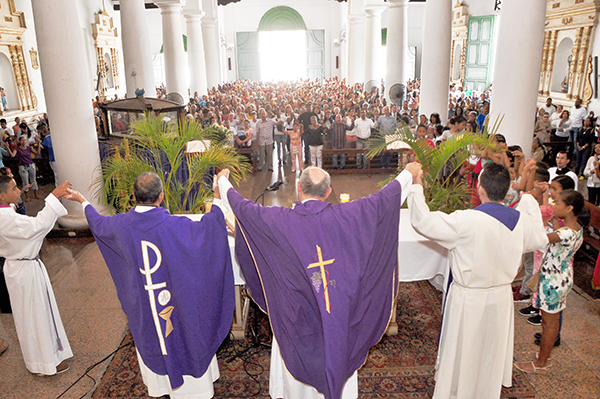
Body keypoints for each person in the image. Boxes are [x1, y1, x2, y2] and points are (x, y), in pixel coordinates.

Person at [215, 165, 413, 399]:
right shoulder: (349, 216)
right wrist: (408, 173)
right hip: (338, 317)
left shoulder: (278, 220)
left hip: (294, 316)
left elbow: (242, 206)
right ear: (328, 191)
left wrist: (224, 182)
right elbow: (384, 199)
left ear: (298, 189)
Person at [67, 172, 235, 398]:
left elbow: (97, 222)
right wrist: (217, 195)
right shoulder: (178, 225)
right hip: (176, 303)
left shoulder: (120, 224)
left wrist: (82, 200)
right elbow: (209, 228)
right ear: (162, 196)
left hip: (145, 307)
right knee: (185, 332)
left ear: (134, 196)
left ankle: (161, 387)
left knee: (154, 336)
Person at [406, 162, 548, 399]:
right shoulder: (520, 220)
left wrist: (416, 186)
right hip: (501, 297)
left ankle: (458, 391)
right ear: (505, 190)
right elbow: (539, 239)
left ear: (480, 188)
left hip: (469, 298)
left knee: (465, 350)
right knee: (489, 351)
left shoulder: (465, 221)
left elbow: (423, 222)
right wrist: (530, 200)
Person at [0, 177, 75, 375]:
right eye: (14, 188)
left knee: (33, 315)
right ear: (2, 195)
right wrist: (54, 196)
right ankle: (43, 364)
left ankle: (46, 358)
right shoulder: (6, 218)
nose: (19, 191)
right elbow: (38, 226)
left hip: (20, 267)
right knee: (34, 317)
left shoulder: (7, 215)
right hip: (24, 270)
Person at [515, 190, 587, 375]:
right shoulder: (575, 228)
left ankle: (541, 364)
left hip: (553, 283)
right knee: (549, 321)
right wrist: (551, 214)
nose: (555, 206)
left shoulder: (565, 234)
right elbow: (556, 228)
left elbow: (540, 239)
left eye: (558, 203)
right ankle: (542, 355)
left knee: (549, 323)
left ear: (569, 208)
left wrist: (533, 213)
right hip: (559, 278)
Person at [7, 135, 41, 201]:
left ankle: (36, 193)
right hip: (22, 166)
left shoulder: (28, 148)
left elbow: (37, 152)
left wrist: (39, 144)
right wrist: (7, 148)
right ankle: (27, 196)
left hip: (30, 165)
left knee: (33, 180)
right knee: (25, 181)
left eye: (25, 140)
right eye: (22, 140)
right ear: (19, 141)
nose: (24, 141)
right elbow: (12, 155)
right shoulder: (17, 149)